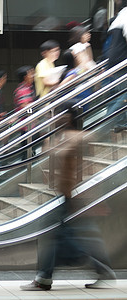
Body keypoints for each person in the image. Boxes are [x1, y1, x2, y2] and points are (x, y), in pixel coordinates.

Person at [20, 101, 116, 291]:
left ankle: (44, 277)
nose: (56, 119)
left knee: (60, 236)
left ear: (70, 117)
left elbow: (80, 154)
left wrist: (53, 146)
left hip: (75, 196)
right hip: (63, 196)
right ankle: (102, 270)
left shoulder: (76, 137)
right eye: (54, 115)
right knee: (79, 236)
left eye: (60, 115)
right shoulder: (58, 137)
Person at [105, 1, 127, 131]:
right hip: (123, 60)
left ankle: (120, 123)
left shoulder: (119, 16)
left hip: (115, 60)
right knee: (124, 95)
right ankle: (104, 126)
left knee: (121, 94)